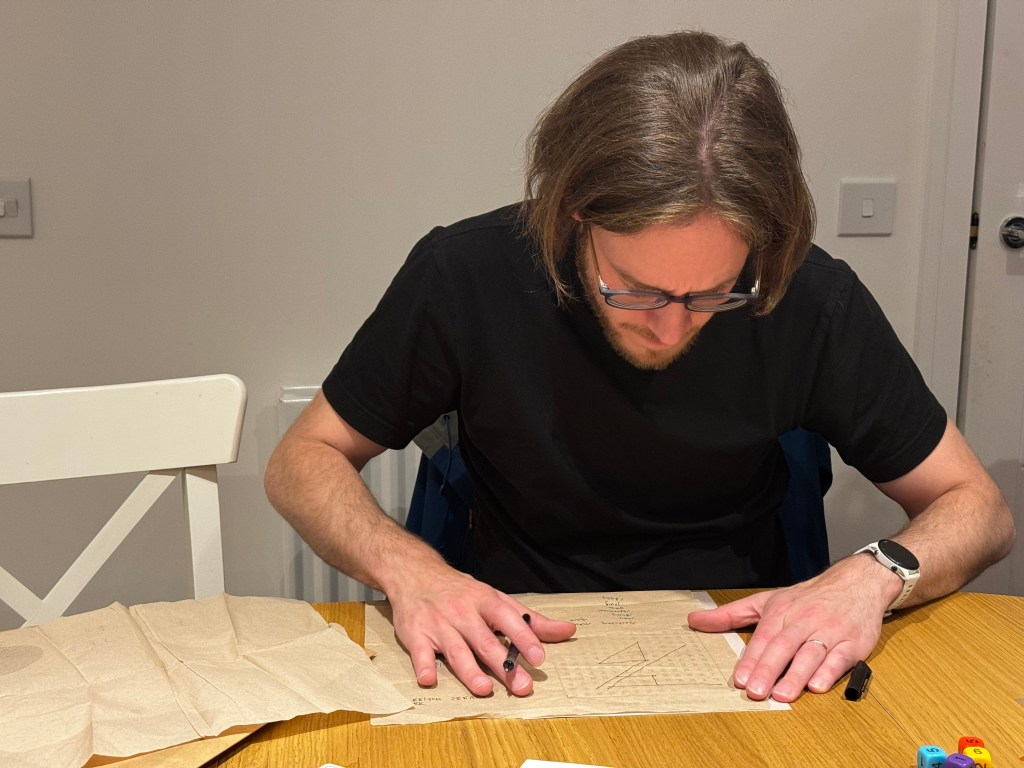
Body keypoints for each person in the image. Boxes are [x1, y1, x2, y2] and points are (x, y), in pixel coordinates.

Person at [265, 30, 1014, 704]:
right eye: (638, 288)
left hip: (737, 646)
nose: (670, 326)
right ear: (573, 215)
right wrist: (411, 570)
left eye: (714, 293)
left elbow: (978, 507)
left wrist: (876, 571)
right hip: (517, 639)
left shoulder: (807, 293)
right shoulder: (468, 274)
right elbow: (304, 458)